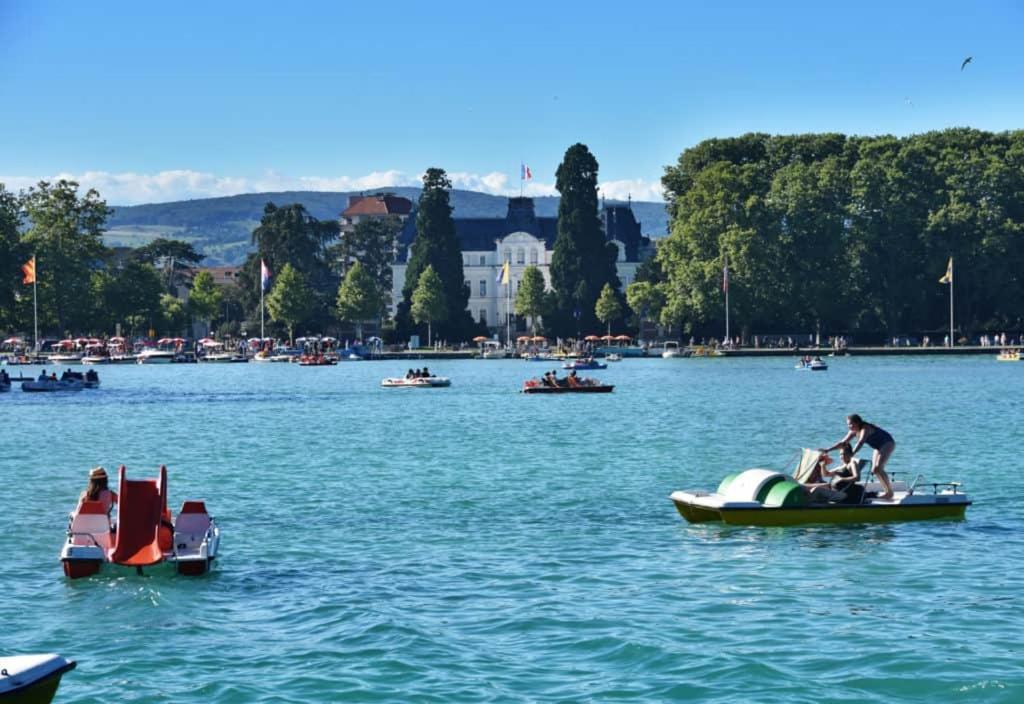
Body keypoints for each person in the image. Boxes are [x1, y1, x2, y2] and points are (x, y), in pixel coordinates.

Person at [821, 414, 895, 499]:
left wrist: (852, 454)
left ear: (857, 423)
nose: (849, 426)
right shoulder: (853, 431)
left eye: (851, 424)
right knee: (874, 470)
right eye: (848, 424)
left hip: (887, 443)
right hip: (877, 447)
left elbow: (860, 442)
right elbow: (843, 443)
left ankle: (889, 493)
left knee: (878, 468)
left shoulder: (865, 428)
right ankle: (887, 491)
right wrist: (827, 450)